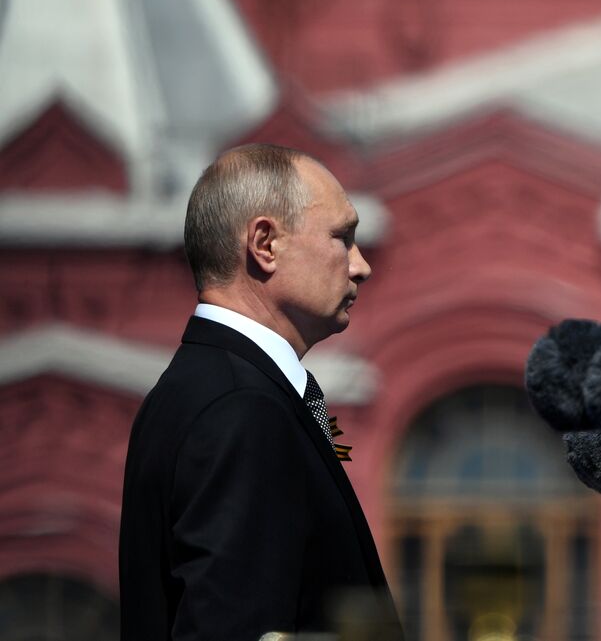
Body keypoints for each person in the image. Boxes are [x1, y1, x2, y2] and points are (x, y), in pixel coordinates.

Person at [120, 144, 402, 640]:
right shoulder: (241, 409)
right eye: (342, 237)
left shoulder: (203, 388)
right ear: (265, 243)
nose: (361, 266)